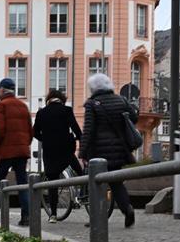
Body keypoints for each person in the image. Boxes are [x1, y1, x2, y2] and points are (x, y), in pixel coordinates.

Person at [79, 73, 138, 228]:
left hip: (99, 151)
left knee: (95, 183)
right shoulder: (121, 100)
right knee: (116, 182)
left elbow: (88, 130)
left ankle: (97, 218)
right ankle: (127, 208)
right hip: (119, 149)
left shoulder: (92, 104)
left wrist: (82, 152)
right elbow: (134, 117)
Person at [0, 78, 33, 226]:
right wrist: (24, 145)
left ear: (2, 90)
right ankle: (26, 216)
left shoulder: (1, 106)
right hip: (21, 151)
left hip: (5, 152)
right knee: (22, 183)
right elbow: (30, 131)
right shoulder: (23, 106)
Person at [33, 88, 83, 222]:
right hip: (66, 150)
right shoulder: (66, 110)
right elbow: (77, 130)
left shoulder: (41, 113)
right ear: (61, 100)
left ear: (48, 100)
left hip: (50, 152)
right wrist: (79, 139)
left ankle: (53, 214)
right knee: (80, 172)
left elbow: (35, 133)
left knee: (53, 183)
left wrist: (47, 139)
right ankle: (86, 195)